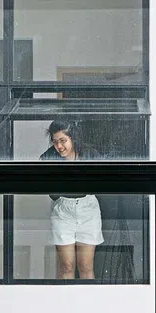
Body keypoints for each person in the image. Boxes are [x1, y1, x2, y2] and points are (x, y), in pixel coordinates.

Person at [39, 119, 104, 280]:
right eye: (55, 142)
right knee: (67, 266)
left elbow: (100, 183)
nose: (59, 146)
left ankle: (88, 304)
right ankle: (64, 304)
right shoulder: (49, 157)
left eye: (63, 141)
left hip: (88, 208)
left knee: (86, 266)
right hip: (63, 210)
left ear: (73, 138)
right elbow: (52, 193)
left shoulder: (90, 154)